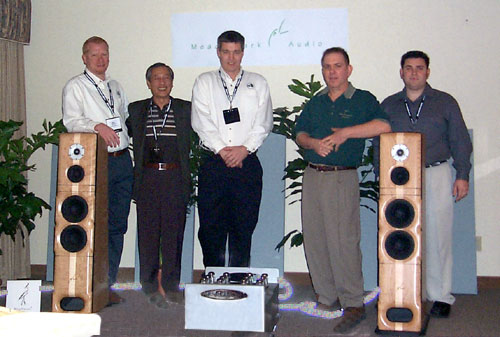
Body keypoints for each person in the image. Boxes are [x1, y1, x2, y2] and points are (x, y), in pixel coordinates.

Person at [294, 47, 391, 333]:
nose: (332, 72)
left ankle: (353, 303)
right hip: (313, 176)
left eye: (337, 66)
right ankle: (327, 297)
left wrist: (345, 133)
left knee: (344, 241)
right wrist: (313, 143)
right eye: (327, 66)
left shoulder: (362, 100)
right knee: (315, 238)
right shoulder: (317, 102)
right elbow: (300, 133)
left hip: (341, 177)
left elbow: (383, 125)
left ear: (349, 69)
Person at [380, 50, 472, 318]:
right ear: (401, 72)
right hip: (397, 180)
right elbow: (379, 142)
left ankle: (441, 295)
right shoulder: (389, 105)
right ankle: (407, 292)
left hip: (436, 173)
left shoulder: (445, 103)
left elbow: (460, 140)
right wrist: (380, 173)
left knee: (438, 235)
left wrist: (462, 174)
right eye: (408, 68)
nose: (414, 73)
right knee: (401, 236)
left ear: (427, 72)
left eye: (419, 68)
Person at [191, 30, 273, 268]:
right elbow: (201, 121)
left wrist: (244, 149)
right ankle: (213, 278)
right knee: (210, 227)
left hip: (246, 163)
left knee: (243, 226)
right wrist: (222, 150)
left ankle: (238, 280)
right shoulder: (204, 81)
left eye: (236, 52)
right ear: (218, 52)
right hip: (214, 164)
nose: (231, 57)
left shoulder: (258, 82)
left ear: (243, 53)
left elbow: (264, 122)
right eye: (226, 51)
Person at [62, 36, 133, 305]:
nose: (101, 59)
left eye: (105, 54)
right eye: (94, 55)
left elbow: (122, 119)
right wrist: (97, 126)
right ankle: (86, 285)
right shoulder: (76, 87)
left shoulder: (115, 87)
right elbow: (71, 122)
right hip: (96, 161)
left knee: (116, 225)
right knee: (92, 224)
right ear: (84, 58)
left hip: (122, 161)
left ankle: (107, 284)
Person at [126, 63, 191, 308]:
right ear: (148, 82)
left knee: (174, 234)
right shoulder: (136, 110)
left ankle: (173, 286)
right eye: (156, 78)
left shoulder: (186, 109)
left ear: (172, 82)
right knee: (148, 234)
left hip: (175, 177)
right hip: (148, 178)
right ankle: (150, 286)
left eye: (166, 78)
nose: (161, 82)